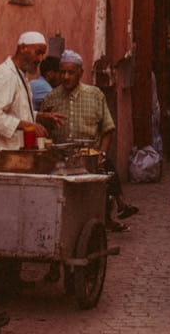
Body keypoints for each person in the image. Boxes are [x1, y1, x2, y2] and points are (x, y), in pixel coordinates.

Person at [42, 50, 139, 230]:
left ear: (81, 72)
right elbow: (44, 131)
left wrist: (101, 153)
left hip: (89, 156)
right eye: (62, 72)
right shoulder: (51, 97)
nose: (66, 76)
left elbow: (108, 129)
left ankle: (108, 216)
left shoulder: (95, 95)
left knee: (104, 173)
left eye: (71, 72)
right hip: (59, 159)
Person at [0, 31, 58, 170]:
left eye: (42, 54)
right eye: (37, 53)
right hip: (0, 159)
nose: (40, 59)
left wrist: (39, 116)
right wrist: (28, 125)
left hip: (15, 159)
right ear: (23, 48)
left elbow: (16, 109)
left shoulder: (20, 75)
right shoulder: (5, 75)